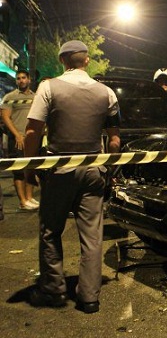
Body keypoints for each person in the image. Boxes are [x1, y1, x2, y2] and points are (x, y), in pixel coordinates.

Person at [23, 40, 121, 313]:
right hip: (94, 169)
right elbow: (114, 140)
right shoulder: (107, 93)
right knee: (92, 235)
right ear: (86, 60)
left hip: (59, 170)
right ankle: (89, 297)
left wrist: (30, 167)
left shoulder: (48, 88)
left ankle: (53, 290)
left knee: (50, 231)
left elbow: (32, 131)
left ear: (62, 61)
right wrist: (109, 170)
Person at [1, 70, 39, 211]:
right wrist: (17, 135)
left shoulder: (36, 97)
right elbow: (5, 117)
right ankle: (22, 201)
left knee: (31, 169)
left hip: (32, 139)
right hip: (17, 139)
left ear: (29, 79)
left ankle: (29, 197)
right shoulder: (10, 97)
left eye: (23, 78)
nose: (21, 80)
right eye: (18, 78)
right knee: (19, 170)